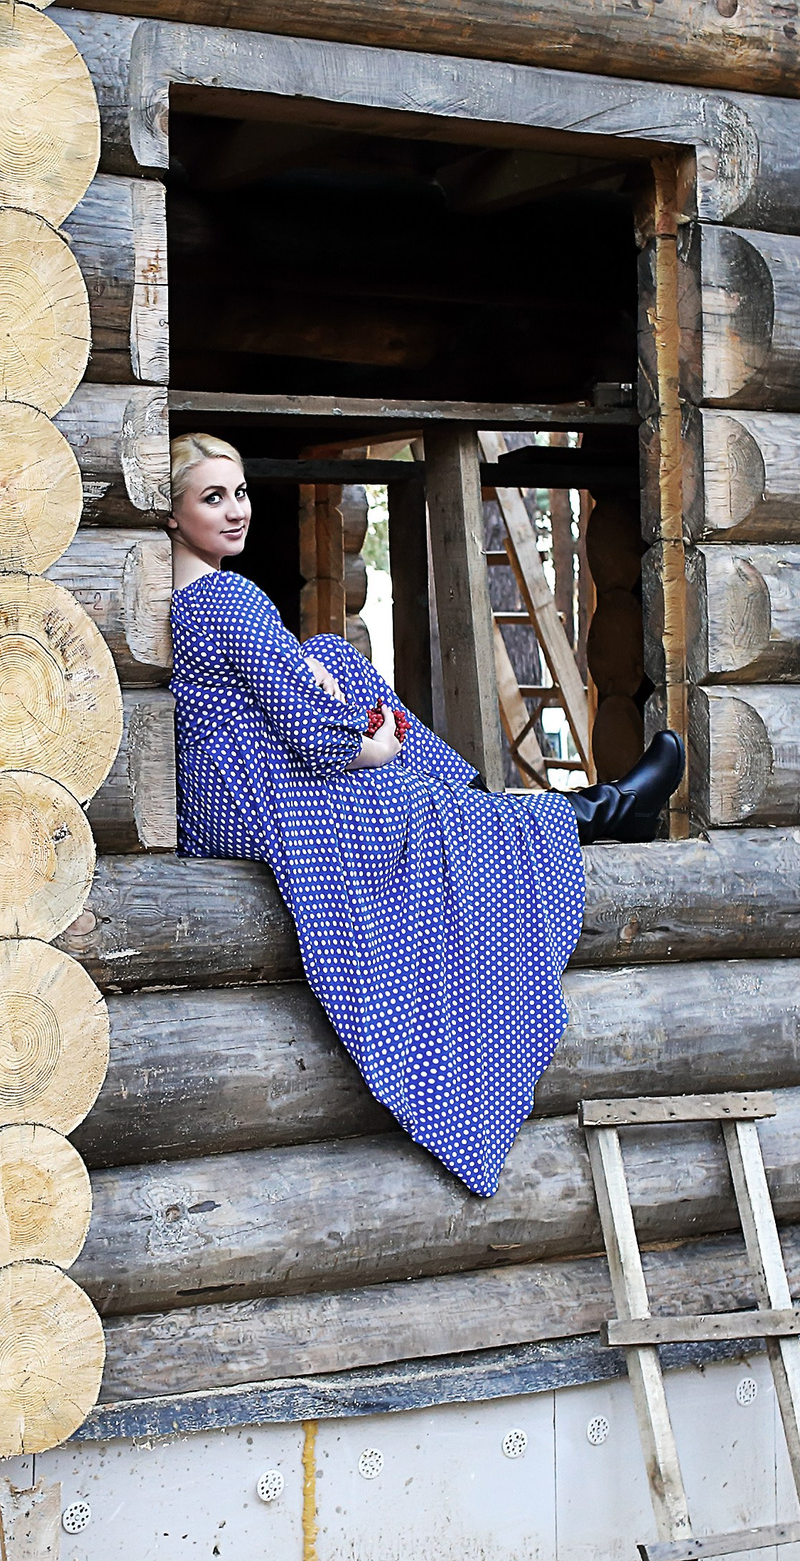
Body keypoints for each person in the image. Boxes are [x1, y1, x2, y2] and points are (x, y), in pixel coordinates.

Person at [163, 432, 685, 1196]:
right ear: (173, 515)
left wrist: (326, 682)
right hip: (253, 790)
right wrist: (370, 749)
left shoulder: (175, 594)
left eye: (240, 492)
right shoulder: (222, 596)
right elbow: (313, 731)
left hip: (214, 796)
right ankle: (588, 812)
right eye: (213, 498)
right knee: (412, 793)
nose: (236, 511)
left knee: (336, 660)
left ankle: (557, 809)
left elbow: (282, 693)